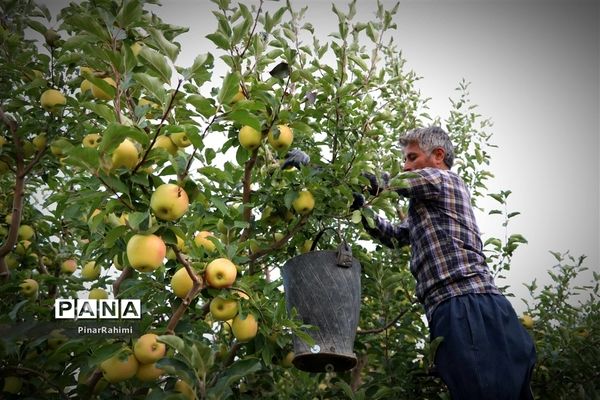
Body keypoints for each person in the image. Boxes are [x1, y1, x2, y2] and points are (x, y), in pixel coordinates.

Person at [352, 126, 536, 400]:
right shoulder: (425, 207)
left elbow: (393, 183)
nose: (405, 165)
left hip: (466, 304)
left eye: (411, 158)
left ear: (438, 156)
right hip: (459, 307)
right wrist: (358, 205)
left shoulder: (445, 181)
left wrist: (345, 177)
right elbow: (392, 236)